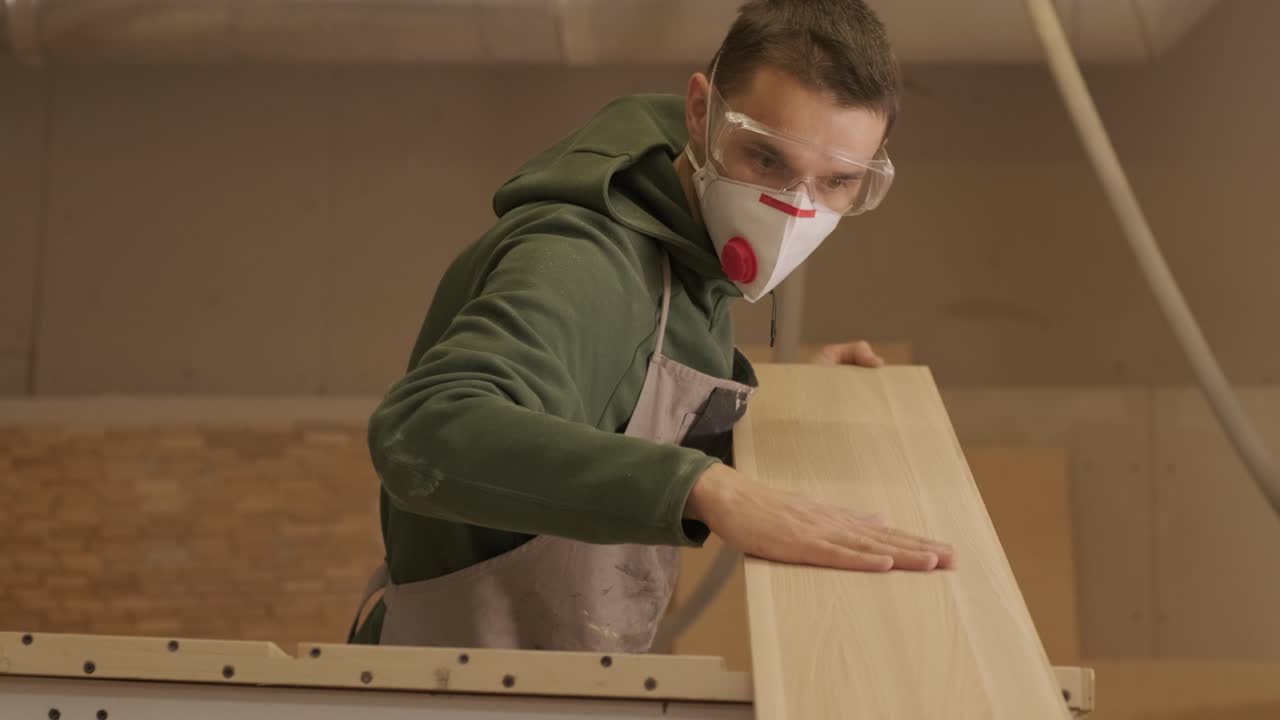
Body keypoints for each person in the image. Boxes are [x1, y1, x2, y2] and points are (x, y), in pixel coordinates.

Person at [348, 0, 954, 652]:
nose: (794, 211)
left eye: (837, 182)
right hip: (449, 686)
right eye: (767, 161)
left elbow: (614, 417)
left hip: (557, 681)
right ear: (702, 113)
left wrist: (773, 410)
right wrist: (703, 487)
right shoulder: (583, 260)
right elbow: (423, 432)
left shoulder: (691, 257)